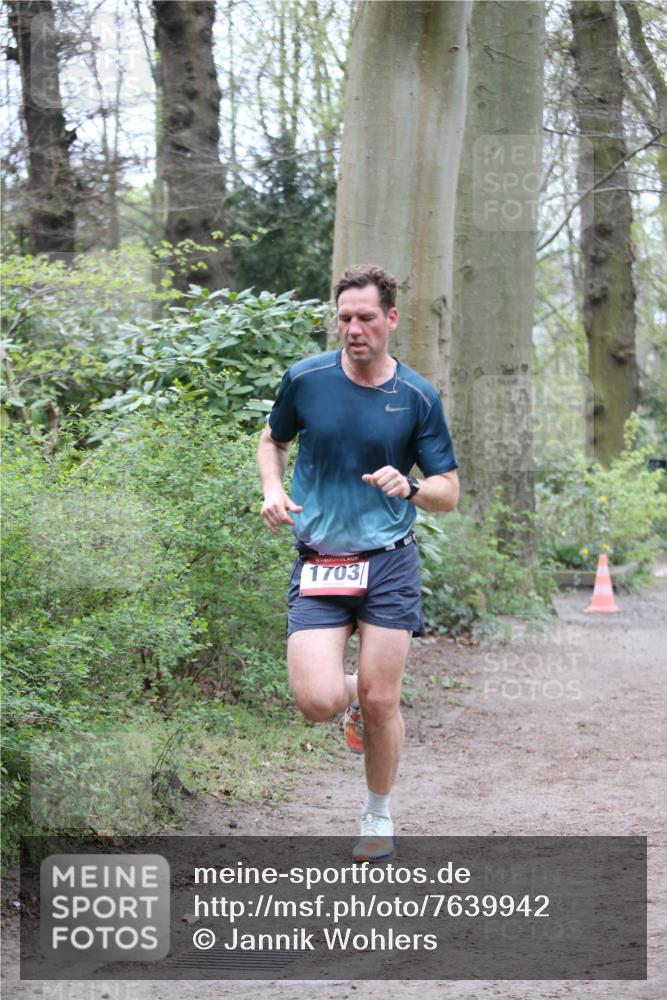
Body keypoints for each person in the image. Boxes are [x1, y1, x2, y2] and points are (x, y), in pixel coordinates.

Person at [256, 264, 459, 861]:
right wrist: (272, 488)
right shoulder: (307, 379)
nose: (353, 329)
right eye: (344, 318)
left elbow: (448, 490)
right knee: (317, 700)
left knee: (382, 701)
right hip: (320, 559)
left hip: (388, 562)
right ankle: (354, 695)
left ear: (390, 319)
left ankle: (377, 814)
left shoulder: (418, 396)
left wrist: (413, 487)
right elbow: (273, 439)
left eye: (366, 317)